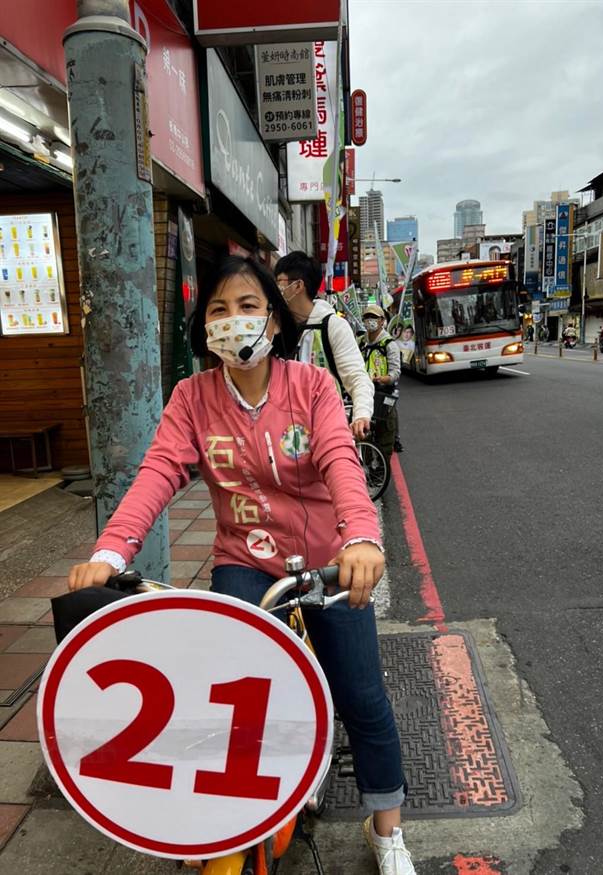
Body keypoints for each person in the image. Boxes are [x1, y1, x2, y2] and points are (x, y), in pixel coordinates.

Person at [61, 256, 415, 875]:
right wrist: (109, 554)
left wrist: (361, 537)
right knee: (236, 699)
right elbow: (157, 475)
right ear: (205, 330)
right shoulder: (191, 399)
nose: (234, 322)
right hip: (245, 565)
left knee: (361, 696)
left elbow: (340, 462)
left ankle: (386, 829)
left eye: (249, 306)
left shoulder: (313, 387)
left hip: (329, 565)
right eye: (219, 311)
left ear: (275, 322)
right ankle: (244, 805)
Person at [273, 251, 374, 441]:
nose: (276, 288)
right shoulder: (274, 327)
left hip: (327, 433)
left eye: (280, 282)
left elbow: (357, 376)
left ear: (298, 286)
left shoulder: (332, 326)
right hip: (284, 438)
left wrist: (361, 414)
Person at [359, 304, 402, 461]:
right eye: (367, 317)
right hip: (364, 393)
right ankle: (369, 466)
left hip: (383, 393)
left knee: (385, 435)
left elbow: (396, 372)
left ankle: (382, 470)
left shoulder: (390, 344)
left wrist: (384, 379)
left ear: (382, 320)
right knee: (364, 434)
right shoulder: (360, 342)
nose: (370, 321)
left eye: (374, 317)